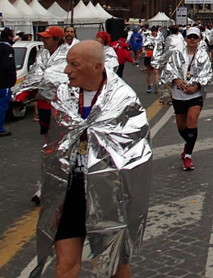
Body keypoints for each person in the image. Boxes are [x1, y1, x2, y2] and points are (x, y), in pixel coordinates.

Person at [28, 40, 151, 278]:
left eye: (74, 65)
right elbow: (55, 141)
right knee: (65, 266)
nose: (66, 70)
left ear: (96, 66)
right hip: (69, 190)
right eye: (67, 64)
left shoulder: (123, 98)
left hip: (107, 191)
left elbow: (137, 150)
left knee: (113, 266)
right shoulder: (64, 94)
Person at [160, 27, 212, 170]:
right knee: (181, 126)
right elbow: (168, 70)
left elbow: (208, 73)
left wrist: (196, 87)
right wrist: (177, 81)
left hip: (195, 95)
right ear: (185, 39)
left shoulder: (203, 56)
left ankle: (188, 156)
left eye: (195, 37)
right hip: (179, 95)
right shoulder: (177, 53)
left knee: (192, 121)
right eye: (190, 37)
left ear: (200, 39)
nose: (192, 40)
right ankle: (188, 142)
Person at [142, 26, 164, 93]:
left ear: (157, 31)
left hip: (156, 57)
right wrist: (143, 51)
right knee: (148, 72)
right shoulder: (148, 37)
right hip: (148, 56)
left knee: (155, 72)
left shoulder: (160, 38)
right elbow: (144, 45)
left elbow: (163, 46)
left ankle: (156, 87)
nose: (154, 33)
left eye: (155, 31)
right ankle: (149, 86)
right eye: (153, 31)